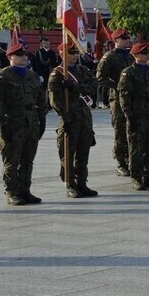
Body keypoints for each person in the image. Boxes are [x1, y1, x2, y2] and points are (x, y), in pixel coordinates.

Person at [0, 40, 48, 205]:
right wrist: (2, 126)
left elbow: (40, 100)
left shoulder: (32, 75)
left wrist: (42, 120)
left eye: (25, 54)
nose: (24, 57)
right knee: (11, 160)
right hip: (12, 123)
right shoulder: (2, 76)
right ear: (10, 57)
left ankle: (25, 190)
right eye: (19, 55)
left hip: (31, 123)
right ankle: (11, 192)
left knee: (27, 160)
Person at [47, 46, 98, 198]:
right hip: (69, 119)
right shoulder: (57, 74)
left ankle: (82, 183)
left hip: (85, 118)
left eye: (76, 53)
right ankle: (70, 184)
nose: (75, 56)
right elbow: (55, 100)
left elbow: (93, 87)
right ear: (62, 54)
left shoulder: (82, 70)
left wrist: (75, 87)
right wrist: (64, 117)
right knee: (67, 154)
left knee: (83, 153)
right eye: (71, 53)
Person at [118, 42, 149, 189]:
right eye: (143, 53)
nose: (146, 56)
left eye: (147, 53)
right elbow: (124, 96)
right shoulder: (128, 72)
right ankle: (136, 177)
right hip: (137, 115)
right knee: (136, 148)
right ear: (135, 55)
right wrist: (129, 115)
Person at [96, 29, 134, 176]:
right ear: (116, 40)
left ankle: (131, 159)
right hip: (117, 99)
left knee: (131, 129)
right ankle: (121, 162)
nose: (127, 40)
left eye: (128, 37)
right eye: (123, 38)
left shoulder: (131, 56)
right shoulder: (109, 57)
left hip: (131, 98)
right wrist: (117, 85)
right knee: (120, 130)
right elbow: (100, 78)